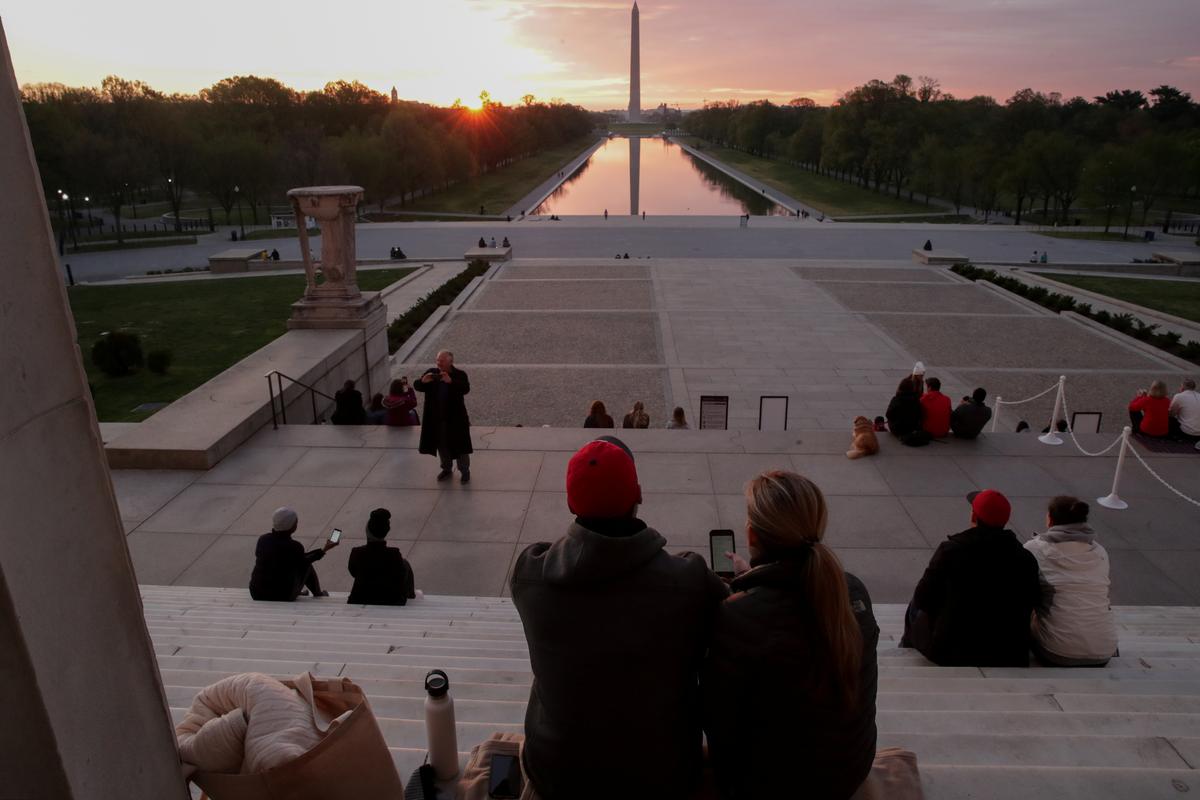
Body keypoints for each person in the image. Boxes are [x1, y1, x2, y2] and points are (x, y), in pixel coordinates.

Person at [510, 436, 728, 799]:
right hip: (663, 776)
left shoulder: (531, 576)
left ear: (570, 501)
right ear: (638, 494)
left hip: (559, 774)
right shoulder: (689, 582)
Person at [703, 471, 878, 800]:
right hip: (849, 772)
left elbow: (721, 729)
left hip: (768, 788)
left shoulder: (737, 617)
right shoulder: (851, 592)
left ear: (752, 535)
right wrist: (754, 579)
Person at [900, 490, 1042, 667]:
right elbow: (1034, 601)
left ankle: (905, 647)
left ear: (974, 516)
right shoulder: (1025, 558)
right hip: (1007, 652)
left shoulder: (951, 551)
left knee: (914, 606)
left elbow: (923, 599)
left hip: (951, 650)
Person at [1024, 497, 1118, 667]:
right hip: (1104, 650)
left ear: (1050, 519)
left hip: (1057, 651)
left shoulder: (1035, 549)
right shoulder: (1100, 552)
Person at [249, 507, 338, 601]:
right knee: (306, 565)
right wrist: (325, 549)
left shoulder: (263, 540)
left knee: (284, 567)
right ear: (292, 527)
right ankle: (318, 594)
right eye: (296, 522)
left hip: (257, 593)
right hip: (283, 595)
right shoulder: (294, 546)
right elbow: (304, 561)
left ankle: (299, 590)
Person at [414, 351, 472, 483]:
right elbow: (417, 385)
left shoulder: (459, 374)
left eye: (442, 361)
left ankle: (464, 471)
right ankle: (446, 468)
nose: (438, 363)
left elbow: (465, 389)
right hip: (437, 418)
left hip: (455, 419)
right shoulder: (431, 372)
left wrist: (451, 381)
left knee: (460, 445)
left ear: (450, 362)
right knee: (442, 444)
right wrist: (422, 381)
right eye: (437, 360)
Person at [347, 508, 417, 606]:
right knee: (405, 564)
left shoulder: (357, 553)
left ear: (367, 530)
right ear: (387, 531)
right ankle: (411, 596)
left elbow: (353, 572)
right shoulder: (394, 554)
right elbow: (400, 575)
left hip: (360, 599)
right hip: (391, 601)